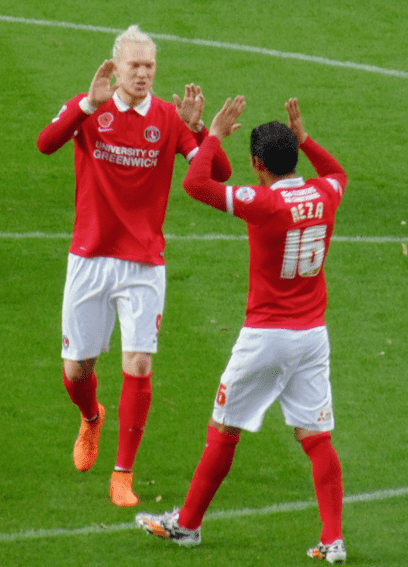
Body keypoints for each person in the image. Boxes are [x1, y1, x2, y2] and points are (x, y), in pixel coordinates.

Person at [135, 96, 348, 564]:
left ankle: (187, 525)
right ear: (292, 154)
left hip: (266, 337)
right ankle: (332, 540)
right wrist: (306, 137)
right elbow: (339, 174)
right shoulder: (323, 193)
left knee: (223, 429)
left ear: (256, 164)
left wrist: (210, 135)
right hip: (313, 336)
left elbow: (196, 184)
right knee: (316, 438)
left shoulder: (263, 202)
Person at [36, 25, 232, 507]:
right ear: (115, 67)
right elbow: (45, 143)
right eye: (135, 66)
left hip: (144, 262)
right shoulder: (91, 107)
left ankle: (122, 474)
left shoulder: (167, 118)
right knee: (77, 368)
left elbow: (219, 175)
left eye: (150, 67)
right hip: (89, 257)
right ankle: (91, 418)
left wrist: (200, 130)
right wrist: (86, 104)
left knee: (139, 362)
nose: (143, 74)